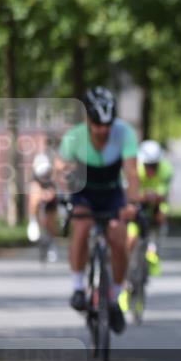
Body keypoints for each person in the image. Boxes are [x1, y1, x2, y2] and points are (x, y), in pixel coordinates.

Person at [58, 86, 140, 335]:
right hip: (84, 192)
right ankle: (78, 287)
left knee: (118, 235)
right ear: (88, 120)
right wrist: (64, 190)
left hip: (112, 191)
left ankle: (114, 297)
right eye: (97, 124)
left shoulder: (125, 133)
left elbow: (131, 173)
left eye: (108, 124)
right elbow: (61, 168)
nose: (103, 130)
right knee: (81, 227)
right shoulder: (74, 137)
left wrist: (132, 205)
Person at [120, 139, 173, 310]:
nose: (151, 169)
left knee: (161, 216)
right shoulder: (135, 170)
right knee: (130, 240)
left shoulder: (166, 170)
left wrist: (154, 199)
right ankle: (126, 281)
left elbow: (163, 195)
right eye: (148, 165)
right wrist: (143, 197)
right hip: (138, 204)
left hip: (156, 203)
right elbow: (130, 194)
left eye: (155, 165)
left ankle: (154, 251)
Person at [27, 152, 59, 262]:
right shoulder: (34, 176)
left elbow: (53, 189)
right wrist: (40, 195)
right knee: (33, 199)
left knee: (51, 221)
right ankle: (33, 220)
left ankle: (52, 243)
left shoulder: (51, 174)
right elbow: (33, 187)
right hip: (39, 194)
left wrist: (49, 194)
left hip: (49, 199)